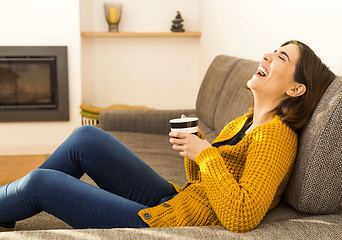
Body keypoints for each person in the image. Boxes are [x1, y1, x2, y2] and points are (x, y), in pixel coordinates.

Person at [0, 40, 335, 233]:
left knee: (41, 183)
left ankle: (7, 204)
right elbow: (206, 183)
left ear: (295, 88)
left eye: (281, 58)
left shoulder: (276, 137)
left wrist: (205, 154)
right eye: (273, 50)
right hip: (175, 200)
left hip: (164, 220)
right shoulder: (245, 121)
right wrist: (196, 150)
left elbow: (242, 214)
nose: (267, 56)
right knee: (86, 137)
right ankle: (6, 205)